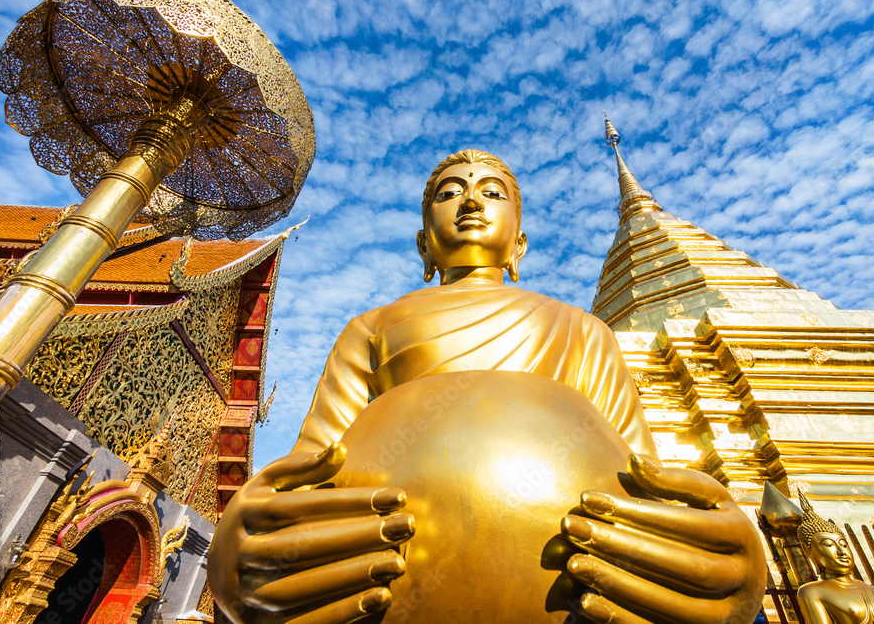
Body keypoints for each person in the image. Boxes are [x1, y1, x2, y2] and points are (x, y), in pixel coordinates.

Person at [208, 149, 766, 623]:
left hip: (577, 598)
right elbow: (312, 468)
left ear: (519, 245)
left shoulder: (581, 330)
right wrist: (241, 552)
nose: (471, 202)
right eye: (450, 192)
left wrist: (721, 564)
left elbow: (643, 479)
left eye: (492, 193)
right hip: (381, 601)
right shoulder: (372, 329)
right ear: (424, 246)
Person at [796, 495, 874, 624]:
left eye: (844, 545)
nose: (841, 552)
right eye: (829, 545)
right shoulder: (812, 592)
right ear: (807, 550)